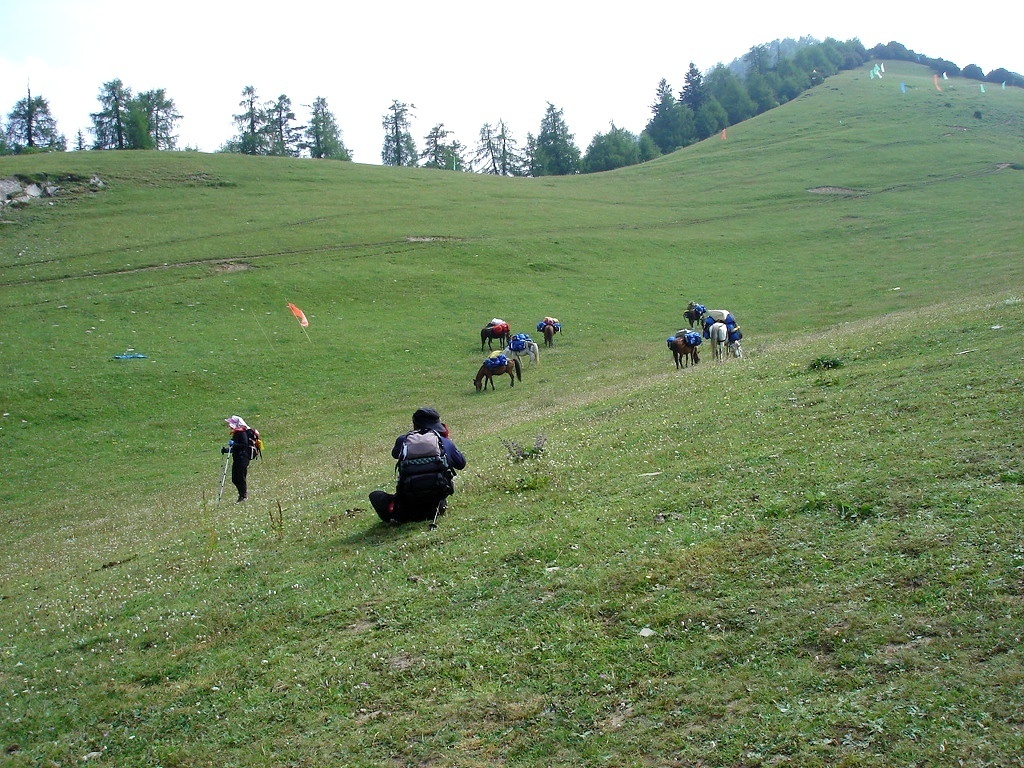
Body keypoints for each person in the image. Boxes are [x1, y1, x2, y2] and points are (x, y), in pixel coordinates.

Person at [369, 407, 467, 525]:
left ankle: (396, 514)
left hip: (405, 508)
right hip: (437, 508)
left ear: (415, 424)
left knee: (375, 496)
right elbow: (461, 464)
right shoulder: (444, 442)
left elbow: (395, 454)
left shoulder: (403, 440)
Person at [222, 415, 253, 502]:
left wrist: (234, 444)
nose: (230, 426)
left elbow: (244, 445)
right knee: (235, 479)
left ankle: (243, 496)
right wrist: (227, 450)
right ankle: (242, 495)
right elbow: (236, 448)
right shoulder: (237, 433)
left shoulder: (242, 432)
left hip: (243, 458)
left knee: (240, 477)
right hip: (237, 458)